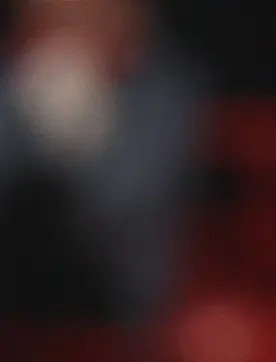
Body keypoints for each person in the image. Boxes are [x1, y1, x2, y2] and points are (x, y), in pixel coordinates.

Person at [0, 0, 203, 328]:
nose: (70, 37)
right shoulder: (10, 89)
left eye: (88, 19)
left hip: (119, 317)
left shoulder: (165, 94)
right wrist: (28, 113)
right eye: (56, 20)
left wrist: (83, 136)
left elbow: (131, 213)